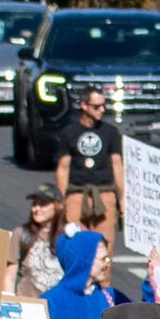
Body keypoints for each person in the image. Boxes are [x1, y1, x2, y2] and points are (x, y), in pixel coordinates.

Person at [39, 207, 131, 319]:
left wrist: (152, 279)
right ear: (85, 262)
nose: (107, 264)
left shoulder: (110, 296)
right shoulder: (51, 301)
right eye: (103, 259)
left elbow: (144, 318)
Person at [55, 86, 123, 236]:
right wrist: (61, 199)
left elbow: (117, 164)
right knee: (76, 241)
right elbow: (63, 168)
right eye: (97, 106)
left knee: (105, 242)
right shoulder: (69, 133)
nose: (102, 110)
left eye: (103, 105)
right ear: (84, 106)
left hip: (104, 192)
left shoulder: (111, 132)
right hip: (77, 193)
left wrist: (123, 196)